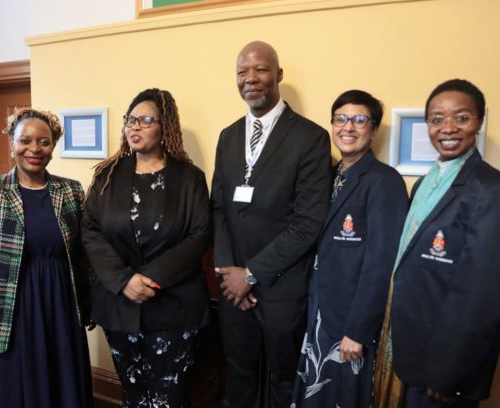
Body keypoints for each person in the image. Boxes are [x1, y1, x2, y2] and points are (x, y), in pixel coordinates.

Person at [385, 79, 500, 408]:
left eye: (461, 117)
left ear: (479, 121)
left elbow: (484, 294)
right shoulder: (425, 183)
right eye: (437, 119)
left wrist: (449, 371)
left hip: (445, 370)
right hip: (415, 354)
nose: (447, 127)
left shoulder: (496, 191)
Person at [211, 40, 332, 407]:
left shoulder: (311, 138)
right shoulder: (228, 135)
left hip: (282, 290)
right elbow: (218, 209)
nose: (251, 78)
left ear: (278, 75)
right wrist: (231, 276)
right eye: (242, 72)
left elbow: (309, 221)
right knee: (239, 376)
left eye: (261, 69)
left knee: (283, 381)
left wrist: (251, 274)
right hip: (233, 291)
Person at [82, 88, 210, 407]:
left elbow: (199, 235)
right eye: (130, 119)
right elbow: (90, 229)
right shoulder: (108, 175)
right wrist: (125, 280)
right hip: (120, 305)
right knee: (133, 393)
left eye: (146, 119)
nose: (134, 127)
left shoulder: (190, 178)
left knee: (169, 397)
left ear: (164, 126)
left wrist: (148, 279)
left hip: (174, 306)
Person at [0, 108, 94, 407]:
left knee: (63, 383)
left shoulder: (71, 191)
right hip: (10, 311)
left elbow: (84, 255)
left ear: (53, 146)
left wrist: (92, 306)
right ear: (12, 144)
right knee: (13, 389)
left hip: (61, 306)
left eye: (44, 142)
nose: (34, 149)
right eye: (25, 140)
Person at [292, 90, 408, 407]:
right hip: (317, 314)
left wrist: (358, 330)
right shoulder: (325, 175)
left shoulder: (385, 181)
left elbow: (381, 262)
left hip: (348, 324)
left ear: (374, 129)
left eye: (359, 120)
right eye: (341, 119)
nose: (349, 127)